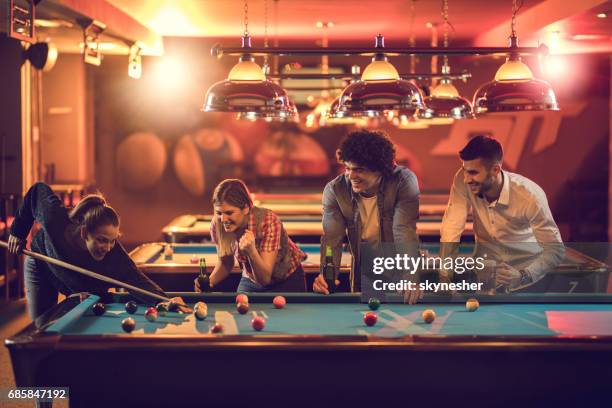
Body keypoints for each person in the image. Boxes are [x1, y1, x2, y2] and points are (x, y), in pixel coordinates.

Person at [7, 182, 176, 321]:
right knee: (42, 325)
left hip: (72, 279)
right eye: (102, 239)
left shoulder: (113, 254)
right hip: (41, 264)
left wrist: (165, 300)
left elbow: (137, 280)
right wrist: (18, 231)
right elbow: (37, 191)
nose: (108, 247)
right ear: (83, 233)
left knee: (85, 307)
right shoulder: (55, 219)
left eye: (113, 240)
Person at [440, 135, 564, 291]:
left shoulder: (530, 196)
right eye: (464, 171)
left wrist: (523, 276)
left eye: (473, 172)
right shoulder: (462, 180)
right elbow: (451, 227)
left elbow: (555, 250)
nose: (466, 179)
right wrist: (445, 275)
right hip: (485, 280)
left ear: (495, 170)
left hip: (527, 283)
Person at [313, 130, 421, 300]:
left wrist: (410, 275)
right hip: (364, 269)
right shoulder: (335, 189)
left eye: (359, 170)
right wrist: (326, 274)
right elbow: (331, 239)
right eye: (348, 168)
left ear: (380, 169)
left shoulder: (403, 181)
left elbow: (404, 230)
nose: (351, 176)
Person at [194, 179, 307, 293]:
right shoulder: (217, 225)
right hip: (251, 279)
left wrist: (251, 252)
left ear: (246, 208)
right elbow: (225, 262)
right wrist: (209, 282)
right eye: (219, 213)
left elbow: (264, 279)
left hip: (288, 280)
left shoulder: (268, 221)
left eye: (229, 213)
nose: (223, 220)